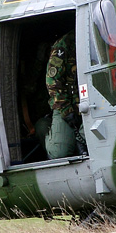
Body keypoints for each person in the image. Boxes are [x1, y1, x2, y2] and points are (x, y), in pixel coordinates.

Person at [43, 30, 86, 158]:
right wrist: (67, 110)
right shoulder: (65, 45)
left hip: (95, 103)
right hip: (67, 106)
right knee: (59, 153)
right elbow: (52, 81)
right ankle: (44, 130)